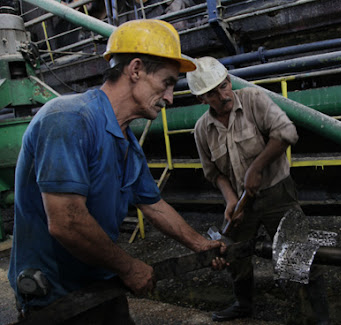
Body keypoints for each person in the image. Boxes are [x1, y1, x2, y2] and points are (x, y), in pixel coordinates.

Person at [8, 20, 226, 324]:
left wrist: (201, 244)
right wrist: (129, 267)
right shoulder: (69, 119)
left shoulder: (126, 144)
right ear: (135, 69)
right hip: (57, 300)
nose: (169, 98)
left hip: (101, 285)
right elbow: (66, 222)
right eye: (167, 83)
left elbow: (154, 205)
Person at [187, 56, 330, 324]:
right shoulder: (202, 130)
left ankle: (319, 315)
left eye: (224, 85)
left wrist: (257, 168)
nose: (223, 95)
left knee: (299, 250)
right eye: (213, 93)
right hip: (242, 201)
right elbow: (214, 173)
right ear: (202, 99)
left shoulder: (254, 100)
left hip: (277, 192)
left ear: (228, 80)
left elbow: (287, 133)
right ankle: (243, 305)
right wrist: (230, 199)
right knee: (233, 253)